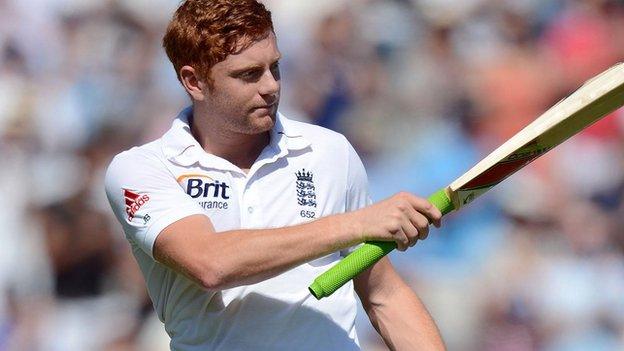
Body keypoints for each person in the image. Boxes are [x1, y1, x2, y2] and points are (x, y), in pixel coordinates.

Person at [104, 0, 445, 350]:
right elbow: (209, 263)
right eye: (248, 74)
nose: (270, 86)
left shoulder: (330, 151)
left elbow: (383, 296)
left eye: (275, 67)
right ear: (194, 81)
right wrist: (356, 224)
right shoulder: (142, 168)